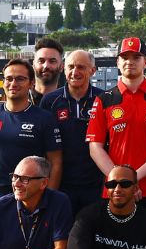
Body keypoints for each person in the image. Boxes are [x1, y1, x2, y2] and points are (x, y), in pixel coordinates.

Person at [86, 36, 146, 218]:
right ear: (118, 62)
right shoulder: (104, 100)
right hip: (114, 192)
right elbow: (95, 147)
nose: (130, 62)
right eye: (125, 57)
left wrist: (134, 179)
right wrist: (121, 182)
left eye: (136, 57)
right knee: (112, 245)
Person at [41, 50, 105, 214]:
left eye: (81, 67)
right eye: (70, 67)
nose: (75, 72)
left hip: (95, 185)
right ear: (63, 68)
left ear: (93, 70)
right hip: (62, 184)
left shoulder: (104, 99)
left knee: (92, 236)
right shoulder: (50, 101)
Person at [0, 58, 62, 196]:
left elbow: (56, 162)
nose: (13, 83)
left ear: (31, 83)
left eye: (20, 79)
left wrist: (49, 198)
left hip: (29, 194)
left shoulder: (44, 118)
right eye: (9, 79)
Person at [31, 36, 65, 106]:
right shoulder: (20, 101)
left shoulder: (69, 102)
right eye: (41, 61)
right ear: (33, 65)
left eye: (52, 61)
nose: (46, 66)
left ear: (62, 66)